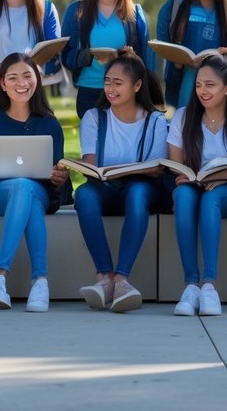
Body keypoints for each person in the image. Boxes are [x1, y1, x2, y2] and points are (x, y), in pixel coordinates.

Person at [63, 52, 168, 313]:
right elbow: (91, 163)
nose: (110, 88)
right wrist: (72, 165)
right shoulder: (94, 117)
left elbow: (155, 169)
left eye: (118, 82)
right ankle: (105, 278)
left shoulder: (155, 121)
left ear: (137, 85)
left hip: (142, 187)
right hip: (106, 187)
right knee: (84, 195)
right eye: (107, 81)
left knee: (137, 192)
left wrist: (117, 169)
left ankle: (122, 278)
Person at [0, 52, 66, 312]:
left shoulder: (50, 124)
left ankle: (1, 277)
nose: (21, 83)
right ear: (2, 84)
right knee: (23, 188)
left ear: (37, 79)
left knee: (25, 188)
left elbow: (57, 174)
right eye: (12, 77)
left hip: (39, 192)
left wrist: (60, 176)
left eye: (27, 75)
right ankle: (40, 282)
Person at [167, 54, 227, 316]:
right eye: (198, 85)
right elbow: (177, 164)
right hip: (194, 185)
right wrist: (188, 175)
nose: (202, 91)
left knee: (212, 198)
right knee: (183, 196)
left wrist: (221, 177)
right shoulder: (184, 117)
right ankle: (191, 286)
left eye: (210, 85)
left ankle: (209, 285)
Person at [63, 0, 152, 118]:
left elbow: (145, 65)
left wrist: (127, 57)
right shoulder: (75, 11)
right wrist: (87, 55)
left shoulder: (135, 14)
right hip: (88, 92)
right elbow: (66, 58)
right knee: (93, 145)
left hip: (125, 93)